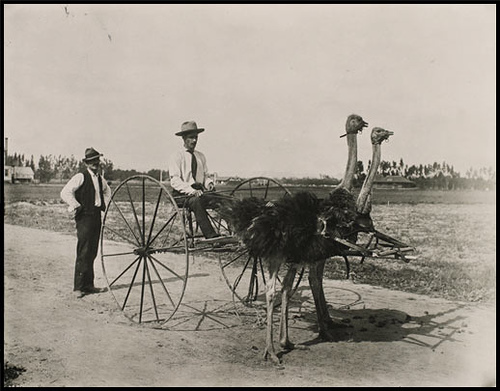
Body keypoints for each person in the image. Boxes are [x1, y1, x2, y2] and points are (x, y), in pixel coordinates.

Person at [61, 147, 112, 298]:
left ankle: (89, 285)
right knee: (83, 251)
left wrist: (105, 206)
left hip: (96, 216)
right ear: (86, 163)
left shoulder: (100, 178)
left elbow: (107, 192)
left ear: (99, 161)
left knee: (92, 251)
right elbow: (65, 192)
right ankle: (78, 287)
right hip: (84, 217)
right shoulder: (80, 177)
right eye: (91, 161)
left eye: (96, 160)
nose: (94, 163)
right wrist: (75, 205)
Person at [168, 120, 222, 240]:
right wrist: (191, 190)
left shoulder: (200, 156)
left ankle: (237, 230)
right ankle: (212, 237)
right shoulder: (177, 156)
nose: (194, 141)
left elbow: (206, 176)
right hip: (182, 195)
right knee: (196, 202)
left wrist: (209, 184)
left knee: (221, 198)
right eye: (191, 138)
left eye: (196, 137)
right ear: (183, 138)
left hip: (200, 192)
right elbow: (175, 180)